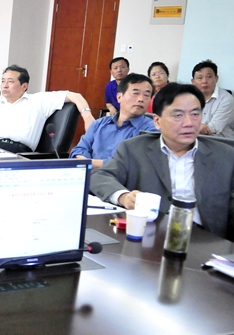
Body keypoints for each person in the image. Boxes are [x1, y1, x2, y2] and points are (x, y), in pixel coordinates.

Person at [90, 83, 234, 240]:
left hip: (205, 240)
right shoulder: (134, 149)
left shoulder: (225, 156)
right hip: (150, 236)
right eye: (178, 115)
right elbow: (99, 177)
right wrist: (124, 197)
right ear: (157, 121)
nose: (189, 123)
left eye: (195, 114)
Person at [0, 65, 95, 153]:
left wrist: (87, 116)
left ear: (24, 86)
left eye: (10, 82)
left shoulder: (38, 101)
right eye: (3, 81)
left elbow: (75, 96)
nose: (5, 85)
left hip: (17, 152)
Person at [70, 74, 157, 167]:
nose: (141, 99)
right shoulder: (99, 124)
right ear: (119, 97)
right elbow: (78, 150)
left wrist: (88, 164)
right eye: (135, 93)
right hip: (87, 173)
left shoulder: (151, 130)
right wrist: (84, 164)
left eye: (146, 95)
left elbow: (130, 164)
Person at [190, 59, 234, 138]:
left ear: (216, 78)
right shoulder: (188, 98)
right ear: (193, 81)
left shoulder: (227, 99)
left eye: (209, 77)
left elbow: (212, 129)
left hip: (220, 141)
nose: (204, 81)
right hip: (195, 138)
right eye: (200, 78)